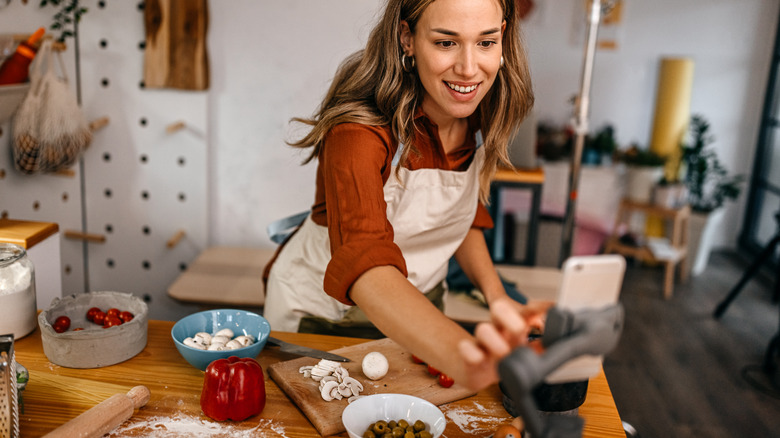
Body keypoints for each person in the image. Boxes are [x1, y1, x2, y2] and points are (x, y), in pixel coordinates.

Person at [264, 0, 543, 392]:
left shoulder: (481, 117)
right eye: (446, 43)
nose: (468, 68)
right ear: (407, 38)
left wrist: (497, 298)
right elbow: (364, 261)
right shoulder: (358, 131)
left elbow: (458, 220)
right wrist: (466, 356)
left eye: (486, 42)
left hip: (425, 309)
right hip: (326, 317)